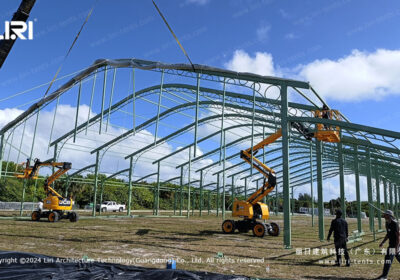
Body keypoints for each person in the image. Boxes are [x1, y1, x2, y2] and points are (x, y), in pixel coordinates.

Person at [376, 210, 400, 280]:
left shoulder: (395, 224)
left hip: (395, 245)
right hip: (392, 244)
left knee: (388, 259)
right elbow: (388, 234)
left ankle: (384, 276)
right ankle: (384, 275)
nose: (384, 215)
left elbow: (398, 236)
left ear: (389, 216)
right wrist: (383, 242)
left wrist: (397, 247)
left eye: (385, 214)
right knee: (398, 257)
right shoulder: (387, 223)